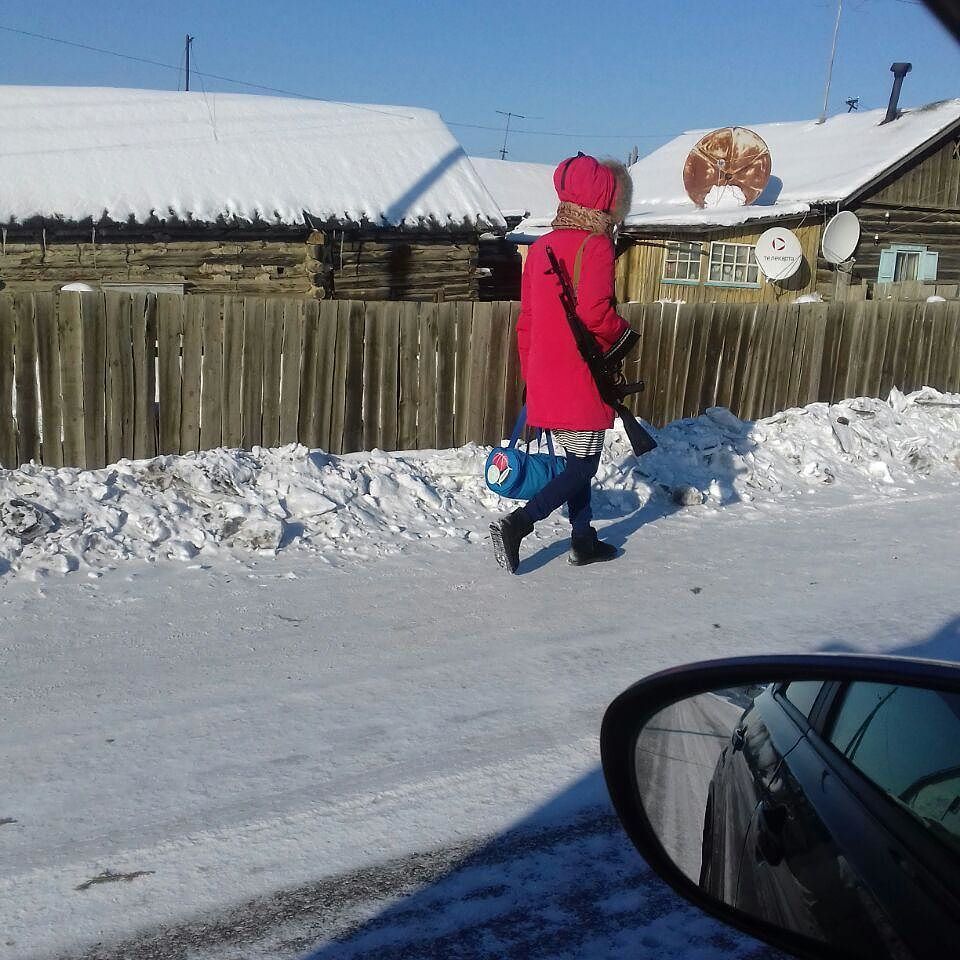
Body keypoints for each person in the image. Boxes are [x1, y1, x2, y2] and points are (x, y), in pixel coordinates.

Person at [489, 152, 633, 574]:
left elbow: (528, 322)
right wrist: (622, 334)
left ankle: (583, 539)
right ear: (604, 198)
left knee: (575, 464)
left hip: (545, 375)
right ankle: (518, 524)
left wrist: (529, 375)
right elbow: (596, 316)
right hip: (581, 374)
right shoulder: (598, 246)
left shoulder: (540, 247)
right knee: (584, 464)